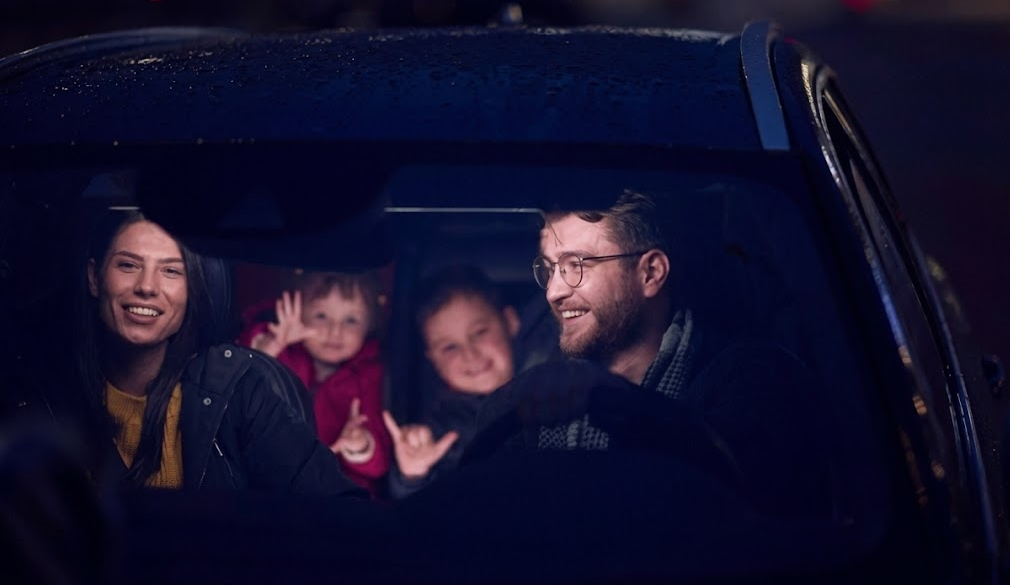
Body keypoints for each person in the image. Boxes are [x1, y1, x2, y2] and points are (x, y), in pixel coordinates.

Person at [470, 190, 830, 516]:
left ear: (651, 273)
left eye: (576, 265)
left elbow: (754, 508)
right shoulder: (534, 404)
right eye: (550, 269)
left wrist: (616, 401)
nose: (553, 292)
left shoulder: (752, 380)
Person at [74, 211, 361, 494]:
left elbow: (339, 506)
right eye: (128, 265)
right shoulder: (42, 393)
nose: (147, 287)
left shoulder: (237, 390)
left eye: (171, 270)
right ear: (94, 278)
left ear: (192, 292)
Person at [240, 271, 391, 498]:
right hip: (270, 488)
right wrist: (269, 347)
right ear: (299, 314)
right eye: (321, 315)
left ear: (370, 325)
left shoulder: (372, 376)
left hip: (339, 496)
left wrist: (360, 445)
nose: (335, 331)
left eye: (351, 320)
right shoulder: (282, 355)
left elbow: (380, 465)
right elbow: (237, 385)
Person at [382, 265, 521, 499]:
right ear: (433, 360)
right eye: (449, 347)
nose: (469, 354)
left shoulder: (562, 378)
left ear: (510, 321)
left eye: (479, 332)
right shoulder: (439, 431)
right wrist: (413, 476)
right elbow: (416, 511)